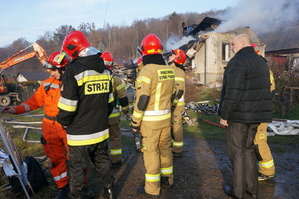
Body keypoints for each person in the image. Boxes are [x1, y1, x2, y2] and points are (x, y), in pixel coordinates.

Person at [3, 51, 71, 199]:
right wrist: (16, 109)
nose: (49, 71)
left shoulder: (73, 83)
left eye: (52, 69)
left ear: (63, 68)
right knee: (54, 158)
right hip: (49, 126)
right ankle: (62, 187)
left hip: (69, 126)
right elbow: (34, 102)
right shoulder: (47, 83)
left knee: (76, 157)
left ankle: (82, 186)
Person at [56, 31, 115, 199]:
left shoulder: (72, 70)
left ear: (73, 49)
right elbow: (110, 103)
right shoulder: (105, 70)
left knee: (77, 169)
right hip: (101, 130)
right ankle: (109, 191)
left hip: (79, 133)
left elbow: (68, 106)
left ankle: (77, 196)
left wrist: (63, 121)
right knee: (103, 162)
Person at [218, 34, 272, 199]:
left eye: (233, 45)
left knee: (238, 152)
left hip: (239, 116)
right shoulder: (261, 61)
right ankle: (252, 189)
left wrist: (224, 114)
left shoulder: (238, 62)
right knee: (249, 150)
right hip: (256, 115)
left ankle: (238, 191)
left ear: (242, 44)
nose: (232, 48)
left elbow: (232, 92)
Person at [131, 33, 175, 197]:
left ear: (143, 51)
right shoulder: (168, 70)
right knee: (165, 149)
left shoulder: (146, 71)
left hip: (150, 122)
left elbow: (142, 99)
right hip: (166, 118)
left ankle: (152, 189)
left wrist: (135, 122)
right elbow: (174, 92)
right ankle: (168, 179)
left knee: (151, 153)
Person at [101, 51, 129, 168]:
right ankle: (116, 160)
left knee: (100, 140)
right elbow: (123, 97)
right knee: (115, 137)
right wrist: (126, 110)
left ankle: (100, 162)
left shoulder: (93, 78)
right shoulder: (115, 79)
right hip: (113, 116)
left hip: (98, 117)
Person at [167, 49, 187, 157]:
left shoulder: (178, 71)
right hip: (171, 105)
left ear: (177, 58)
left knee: (176, 127)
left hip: (176, 106)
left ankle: (177, 149)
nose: (170, 56)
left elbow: (179, 91)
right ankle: (173, 146)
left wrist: (172, 105)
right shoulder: (171, 69)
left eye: (173, 55)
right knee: (171, 127)